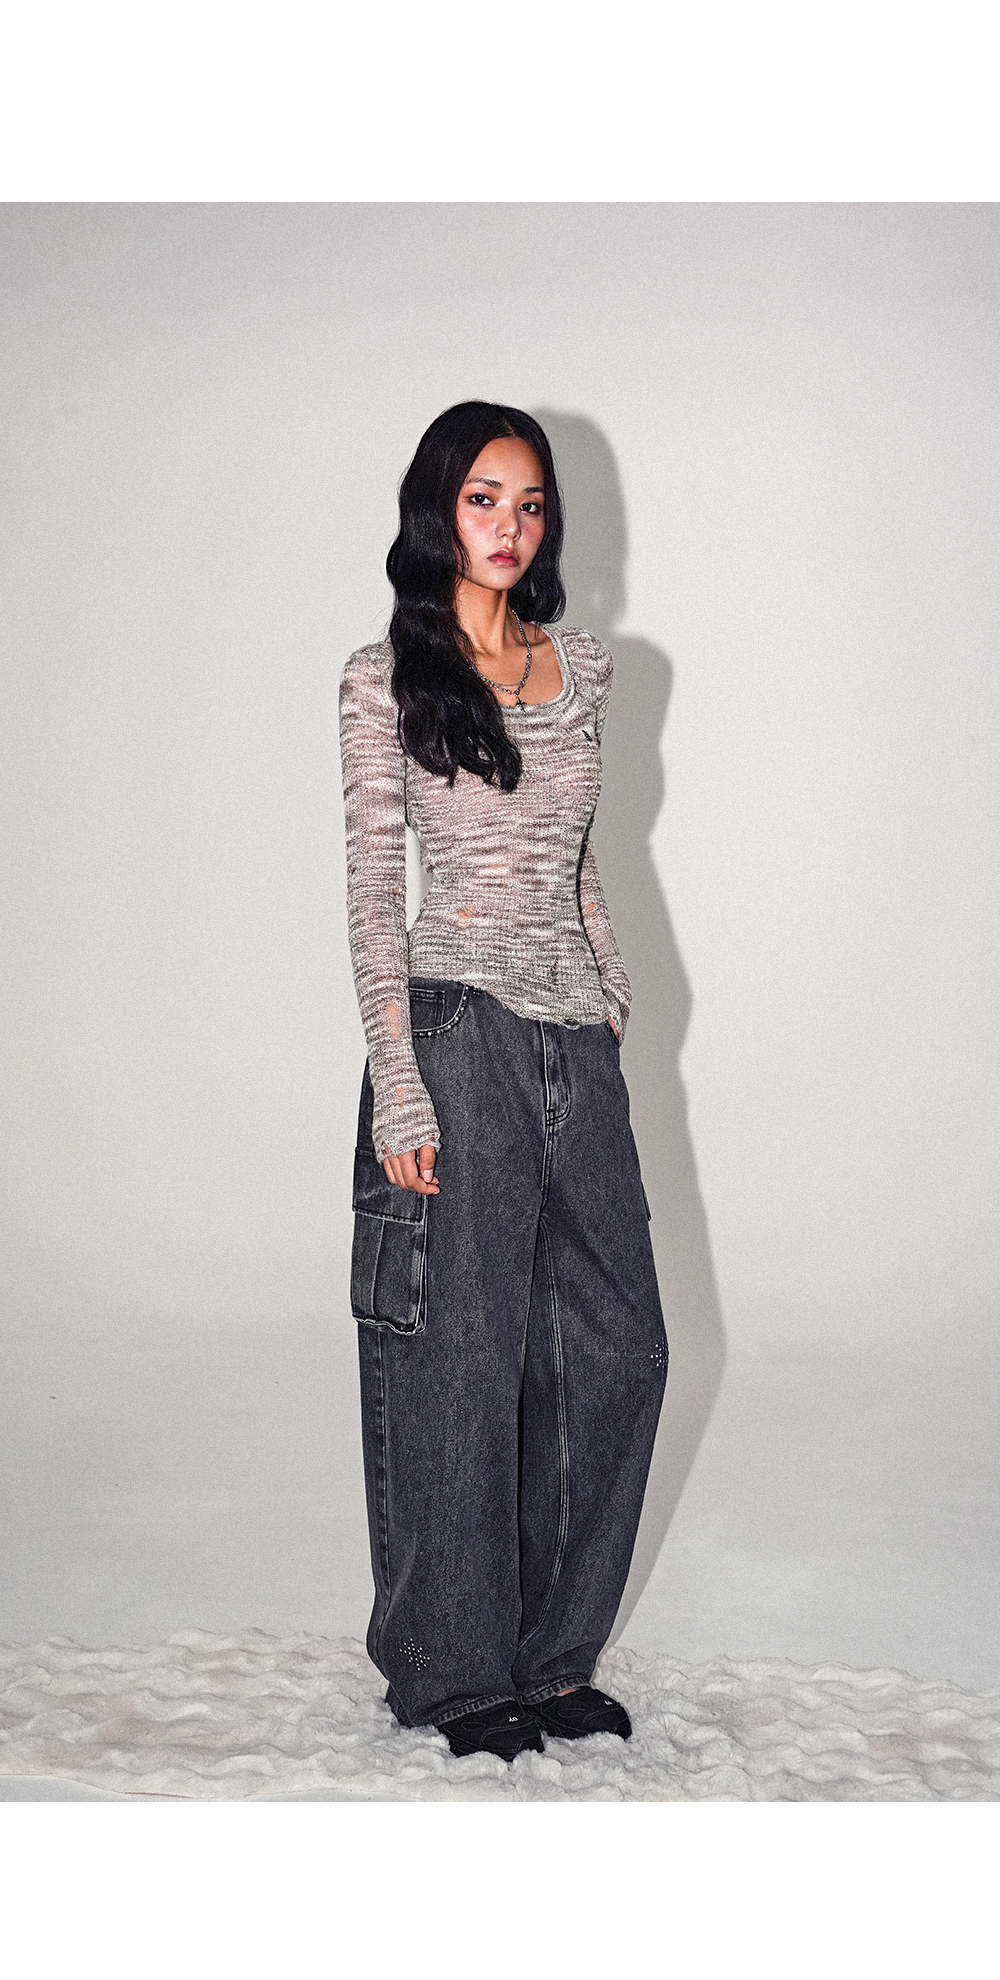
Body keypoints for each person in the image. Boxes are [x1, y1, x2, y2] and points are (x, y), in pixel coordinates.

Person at [339, 401, 667, 1762]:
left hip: (573, 1039)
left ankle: (550, 1656)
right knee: (462, 1363)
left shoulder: (585, 666)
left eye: (530, 503)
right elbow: (376, 895)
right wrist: (399, 1085)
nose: (510, 526)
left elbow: (575, 853)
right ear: (439, 508)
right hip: (457, 1030)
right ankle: (457, 1672)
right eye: (484, 498)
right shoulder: (384, 676)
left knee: (617, 1350)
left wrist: (610, 984)